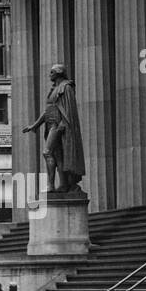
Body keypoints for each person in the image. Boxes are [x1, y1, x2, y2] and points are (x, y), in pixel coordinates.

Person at [23, 63, 86, 193]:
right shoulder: (54, 90)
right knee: (58, 155)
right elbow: (48, 111)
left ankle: (51, 185)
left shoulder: (66, 87)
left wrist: (64, 124)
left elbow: (69, 109)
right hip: (50, 125)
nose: (49, 74)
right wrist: (34, 126)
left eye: (52, 72)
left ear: (58, 72)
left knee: (47, 152)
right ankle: (63, 184)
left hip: (58, 126)